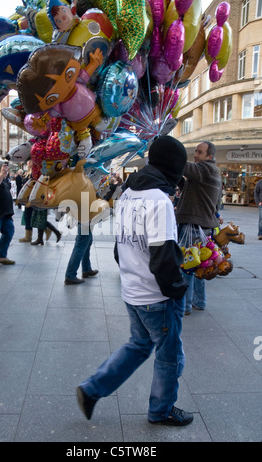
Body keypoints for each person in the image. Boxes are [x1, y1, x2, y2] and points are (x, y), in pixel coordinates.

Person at [77, 135, 194, 426]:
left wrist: (131, 274)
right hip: (156, 296)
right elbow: (163, 257)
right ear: (174, 168)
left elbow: (121, 246)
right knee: (170, 357)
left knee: (139, 344)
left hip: (132, 291)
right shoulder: (159, 201)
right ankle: (162, 410)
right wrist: (177, 290)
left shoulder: (128, 194)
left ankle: (92, 389)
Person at [175, 141, 222, 315]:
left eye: (200, 152)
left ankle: (185, 306)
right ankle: (199, 302)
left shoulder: (206, 169)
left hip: (194, 227)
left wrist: (171, 150)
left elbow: (185, 167)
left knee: (188, 266)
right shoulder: (207, 173)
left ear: (209, 156)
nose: (195, 155)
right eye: (195, 151)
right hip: (201, 226)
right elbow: (188, 188)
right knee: (200, 265)